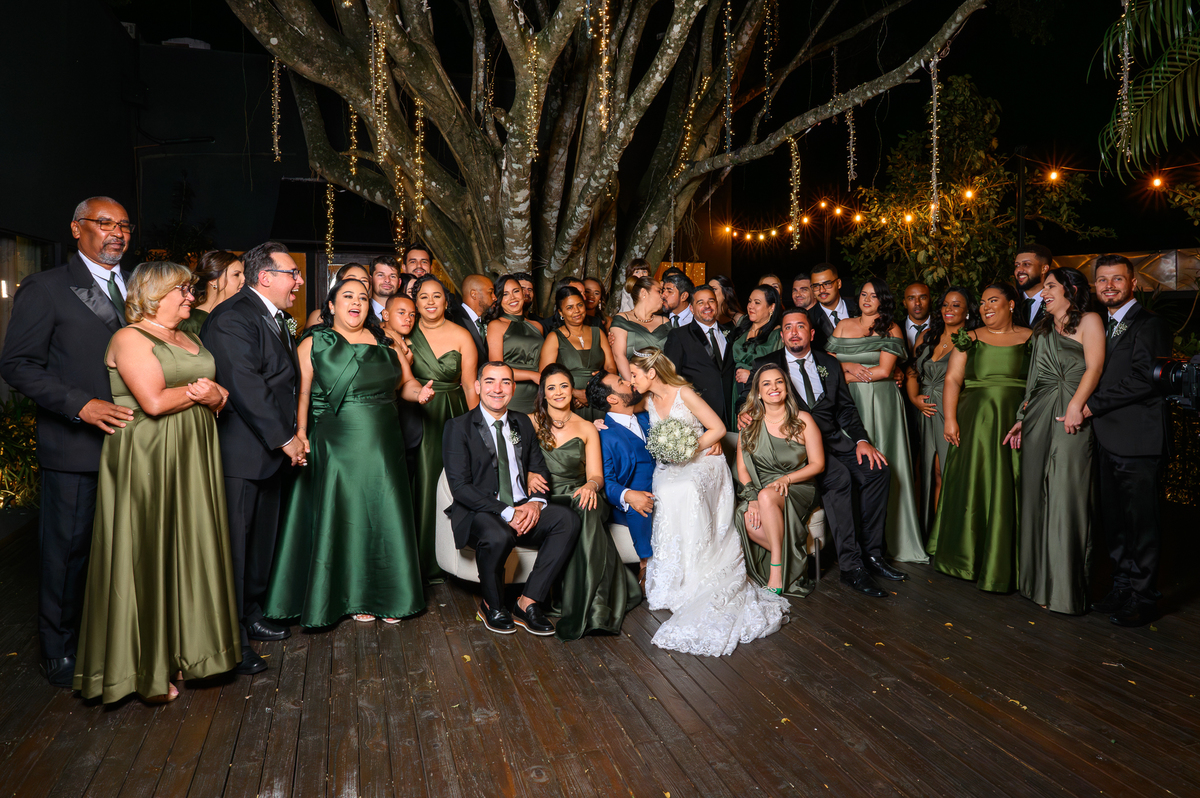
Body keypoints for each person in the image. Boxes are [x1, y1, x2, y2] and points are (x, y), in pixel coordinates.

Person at [74, 262, 240, 703]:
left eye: (189, 289)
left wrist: (217, 396)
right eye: (182, 290)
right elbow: (151, 401)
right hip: (147, 455)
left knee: (189, 545)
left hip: (194, 452)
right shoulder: (129, 337)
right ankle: (144, 669)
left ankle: (192, 653)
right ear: (153, 293)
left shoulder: (191, 337)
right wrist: (205, 394)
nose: (190, 297)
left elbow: (222, 396)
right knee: (147, 549)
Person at [0, 196, 136, 688]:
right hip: (75, 446)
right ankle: (56, 649)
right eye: (104, 224)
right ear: (77, 229)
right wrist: (80, 405)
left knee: (121, 548)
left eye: (123, 225)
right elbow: (16, 365)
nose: (116, 233)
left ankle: (109, 639)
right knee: (68, 550)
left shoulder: (136, 286)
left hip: (134, 445)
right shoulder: (47, 287)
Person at [265, 278, 432, 627]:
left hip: (384, 442)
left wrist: (420, 394)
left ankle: (390, 595)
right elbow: (302, 395)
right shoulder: (313, 343)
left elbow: (407, 384)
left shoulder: (388, 340)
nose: (356, 303)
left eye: (362, 298)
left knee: (384, 509)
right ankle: (355, 595)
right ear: (331, 305)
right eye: (348, 296)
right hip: (337, 442)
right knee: (350, 513)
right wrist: (298, 432)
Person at [629, 348, 789, 656]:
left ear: (651, 373)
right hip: (670, 465)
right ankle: (675, 575)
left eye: (635, 375)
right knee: (665, 489)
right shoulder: (647, 400)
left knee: (687, 488)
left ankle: (701, 567)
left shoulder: (684, 393)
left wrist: (690, 448)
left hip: (704, 460)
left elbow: (716, 428)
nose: (631, 380)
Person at [201, 241, 305, 674]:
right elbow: (246, 385)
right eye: (292, 274)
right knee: (235, 549)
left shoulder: (275, 317)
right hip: (242, 454)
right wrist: (287, 438)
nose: (298, 282)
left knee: (260, 543)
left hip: (267, 454)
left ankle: (251, 615)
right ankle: (230, 640)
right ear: (265, 277)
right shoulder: (232, 317)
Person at [750, 309, 899, 597]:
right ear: (781, 335)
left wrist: (860, 441)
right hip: (794, 450)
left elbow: (845, 408)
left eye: (800, 327)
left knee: (877, 470)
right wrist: (746, 418)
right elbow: (750, 404)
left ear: (812, 333)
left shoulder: (829, 364)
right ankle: (851, 567)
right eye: (788, 328)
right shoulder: (765, 365)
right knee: (839, 477)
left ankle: (872, 555)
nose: (794, 332)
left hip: (833, 442)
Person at [443, 362, 581, 635]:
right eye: (491, 381)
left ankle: (527, 602)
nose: (498, 389)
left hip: (522, 507)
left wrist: (535, 503)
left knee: (567, 520)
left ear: (513, 388)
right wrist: (507, 512)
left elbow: (539, 469)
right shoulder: (458, 427)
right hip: (481, 512)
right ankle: (492, 606)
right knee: (499, 536)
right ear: (478, 386)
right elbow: (460, 487)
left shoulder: (521, 423)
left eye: (505, 382)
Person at [1003, 268, 1104, 615]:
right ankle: (1036, 585)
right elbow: (1034, 378)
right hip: (1038, 415)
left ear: (1070, 290)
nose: (1043, 293)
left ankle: (1064, 590)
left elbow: (1094, 368)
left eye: (1050, 287)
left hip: (1070, 412)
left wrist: (1077, 406)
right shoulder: (1043, 327)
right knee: (1035, 496)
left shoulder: (1090, 321)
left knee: (1065, 496)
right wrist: (1020, 418)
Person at [928, 283, 1031, 593]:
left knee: (1009, 484)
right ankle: (965, 557)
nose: (986, 306)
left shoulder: (1031, 338)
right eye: (983, 302)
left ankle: (1006, 561)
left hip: (1014, 421)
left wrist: (1027, 417)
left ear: (1011, 304)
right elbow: (953, 379)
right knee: (972, 482)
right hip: (974, 421)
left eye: (993, 300)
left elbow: (1039, 382)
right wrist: (951, 420)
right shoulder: (968, 338)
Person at [1085, 255, 1171, 626]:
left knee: (1142, 524)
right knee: (1115, 521)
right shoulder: (1099, 325)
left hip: (1138, 439)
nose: (1109, 286)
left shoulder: (1150, 324)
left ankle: (1145, 597)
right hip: (1107, 438)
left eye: (1117, 279)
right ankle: (1121, 587)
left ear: (1132, 283)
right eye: (1102, 280)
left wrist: (1090, 405)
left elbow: (1145, 378)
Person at [532, 366, 641, 639]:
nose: (559, 393)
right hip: (547, 499)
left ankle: (596, 608)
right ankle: (589, 603)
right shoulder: (528, 422)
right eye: (552, 388)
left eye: (564, 386)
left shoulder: (587, 427)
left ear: (572, 390)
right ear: (543, 394)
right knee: (579, 511)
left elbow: (595, 474)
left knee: (587, 505)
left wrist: (592, 485)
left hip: (581, 493)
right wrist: (529, 474)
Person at [825, 280, 925, 564]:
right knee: (852, 467)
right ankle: (852, 542)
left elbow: (883, 371)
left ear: (884, 300)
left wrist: (846, 373)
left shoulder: (891, 328)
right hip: (846, 403)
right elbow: (827, 369)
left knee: (886, 463)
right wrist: (848, 368)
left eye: (874, 295)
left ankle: (890, 541)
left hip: (881, 404)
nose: (867, 299)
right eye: (864, 294)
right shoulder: (843, 325)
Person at [408, 275, 479, 580]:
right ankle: (420, 560)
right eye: (424, 297)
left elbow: (469, 385)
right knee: (420, 482)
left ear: (446, 301)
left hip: (454, 413)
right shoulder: (405, 333)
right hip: (417, 414)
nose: (431, 302)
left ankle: (453, 557)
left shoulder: (462, 334)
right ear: (415, 302)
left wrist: (480, 429)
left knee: (452, 481)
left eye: (437, 296)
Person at [734, 363, 825, 597]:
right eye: (766, 383)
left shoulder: (803, 419)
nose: (773, 387)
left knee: (766, 495)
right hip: (762, 489)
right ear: (758, 392)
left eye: (779, 382)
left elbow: (817, 464)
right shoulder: (749, 424)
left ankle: (776, 568)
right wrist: (751, 499)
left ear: (786, 387)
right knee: (747, 520)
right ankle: (792, 561)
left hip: (798, 485)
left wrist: (787, 478)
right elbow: (743, 470)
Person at [906, 286, 977, 527]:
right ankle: (931, 531)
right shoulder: (927, 336)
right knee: (929, 472)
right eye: (946, 304)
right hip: (925, 413)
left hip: (952, 412)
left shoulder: (973, 339)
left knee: (948, 473)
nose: (949, 309)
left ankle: (949, 533)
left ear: (967, 311)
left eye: (956, 305)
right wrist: (915, 398)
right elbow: (913, 371)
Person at [587, 370, 655, 587]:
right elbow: (606, 480)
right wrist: (629, 495)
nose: (628, 381)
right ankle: (646, 565)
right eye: (621, 382)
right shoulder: (603, 433)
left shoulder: (647, 417)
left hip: (668, 485)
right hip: (638, 498)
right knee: (639, 503)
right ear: (612, 399)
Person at [538, 286, 616, 421]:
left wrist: (593, 391)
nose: (576, 311)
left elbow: (611, 367)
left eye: (579, 305)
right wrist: (575, 393)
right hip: (569, 402)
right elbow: (545, 376)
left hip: (599, 398)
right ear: (561, 312)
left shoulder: (598, 332)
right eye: (569, 307)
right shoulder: (554, 337)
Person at [663, 285, 737, 428]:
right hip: (698, 415)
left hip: (731, 414)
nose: (707, 306)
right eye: (700, 303)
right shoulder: (679, 336)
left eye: (711, 301)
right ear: (691, 308)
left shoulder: (731, 333)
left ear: (717, 304)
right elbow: (670, 378)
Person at [484, 275, 544, 413]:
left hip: (537, 393)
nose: (512, 297)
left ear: (523, 293)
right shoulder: (496, 325)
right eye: (505, 294)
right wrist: (532, 375)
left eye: (516, 291)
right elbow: (497, 367)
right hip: (512, 393)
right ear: (499, 299)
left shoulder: (537, 326)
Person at [380, 293, 425, 473]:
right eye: (401, 313)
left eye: (412, 314)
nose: (408, 318)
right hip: (385, 419)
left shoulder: (412, 340)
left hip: (410, 420)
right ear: (385, 315)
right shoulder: (378, 338)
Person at [731, 285, 783, 408]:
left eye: (757, 302)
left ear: (772, 307)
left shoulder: (776, 335)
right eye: (750, 301)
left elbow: (780, 370)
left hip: (759, 394)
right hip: (735, 391)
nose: (750, 306)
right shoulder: (743, 328)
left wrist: (752, 376)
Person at [610, 277, 670, 381]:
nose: (663, 295)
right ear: (644, 292)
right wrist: (634, 384)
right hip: (632, 382)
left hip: (662, 380)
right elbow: (619, 356)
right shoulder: (622, 320)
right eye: (659, 291)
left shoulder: (665, 322)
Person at [181, 251, 245, 335]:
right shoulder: (191, 322)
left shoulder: (240, 315)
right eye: (236, 275)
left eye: (244, 274)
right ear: (213, 280)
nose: (244, 279)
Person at [806, 263, 858, 351]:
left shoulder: (859, 307)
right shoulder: (809, 318)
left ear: (839, 284)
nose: (821, 290)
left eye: (827, 284)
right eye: (816, 286)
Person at [306, 263, 372, 329]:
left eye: (364, 280)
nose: (358, 283)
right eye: (351, 278)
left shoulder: (374, 323)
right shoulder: (318, 317)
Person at [451, 273, 495, 367]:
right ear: (473, 294)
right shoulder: (454, 319)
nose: (495, 298)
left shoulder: (485, 321)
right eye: (490, 292)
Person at [1014, 243, 1052, 327]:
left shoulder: (1056, 301)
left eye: (1026, 264)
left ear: (1044, 269)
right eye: (1017, 265)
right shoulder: (1011, 301)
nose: (1019, 270)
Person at [901, 282, 933, 352]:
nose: (917, 303)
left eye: (922, 297)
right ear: (905, 303)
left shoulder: (942, 327)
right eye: (911, 298)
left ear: (930, 301)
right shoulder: (895, 329)